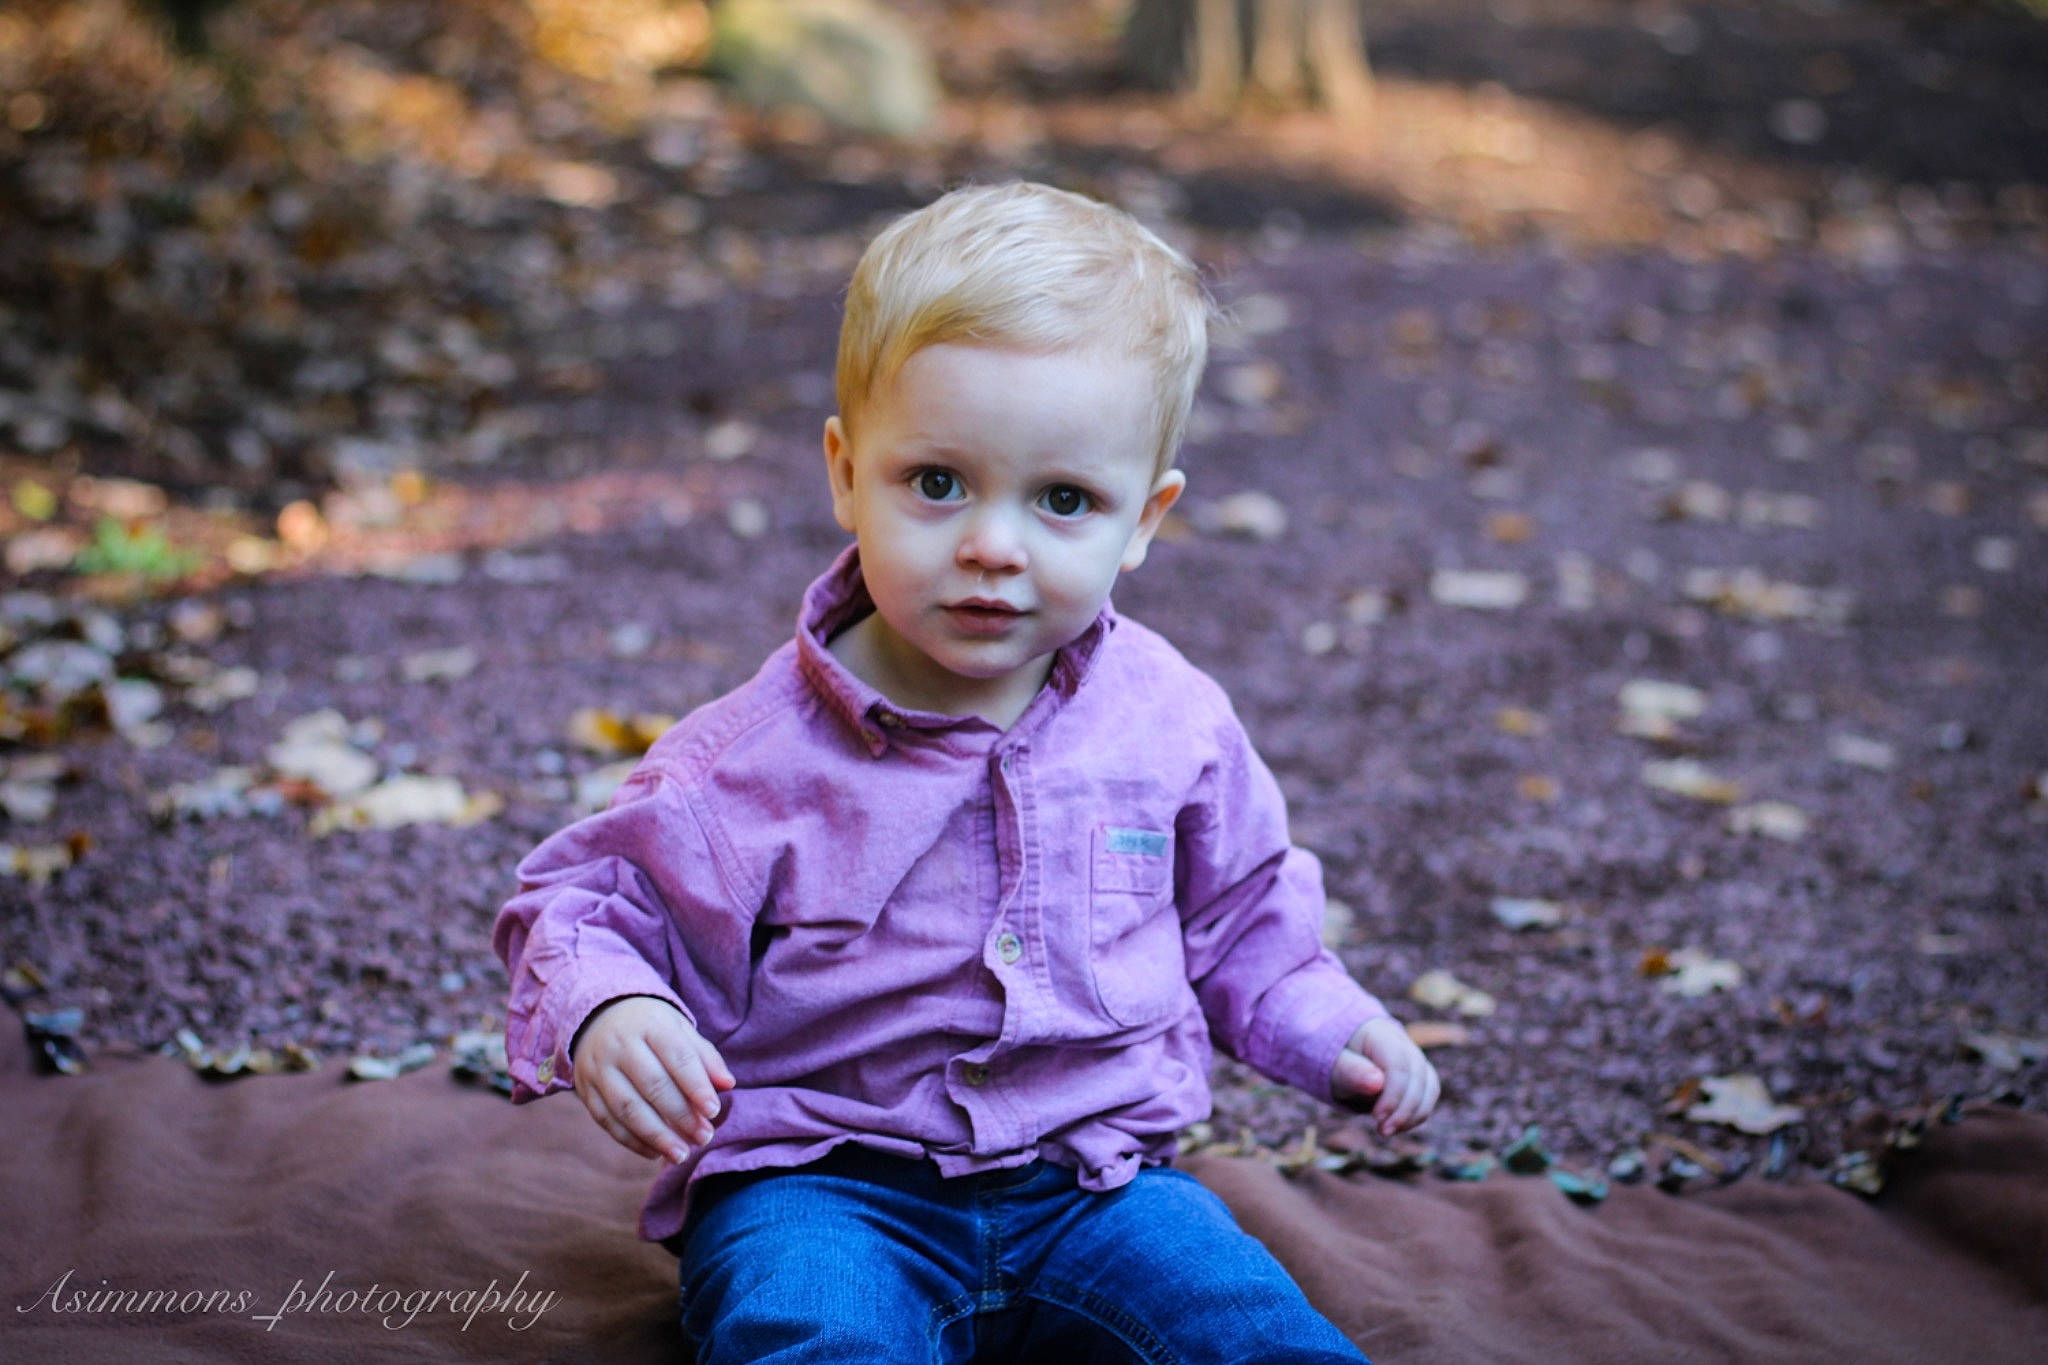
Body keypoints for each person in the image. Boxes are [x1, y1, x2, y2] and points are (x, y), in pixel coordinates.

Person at [494, 180, 1439, 1364]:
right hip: (824, 1185)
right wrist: (612, 1008)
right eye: (936, 482)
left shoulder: (1172, 726)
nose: (993, 545)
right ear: (846, 473)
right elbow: (581, 907)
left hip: (1095, 1187)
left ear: (1143, 519)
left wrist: (1328, 1028)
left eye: (1062, 500)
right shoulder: (746, 761)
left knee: (1252, 1333)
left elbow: (1245, 921)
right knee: (815, 1331)